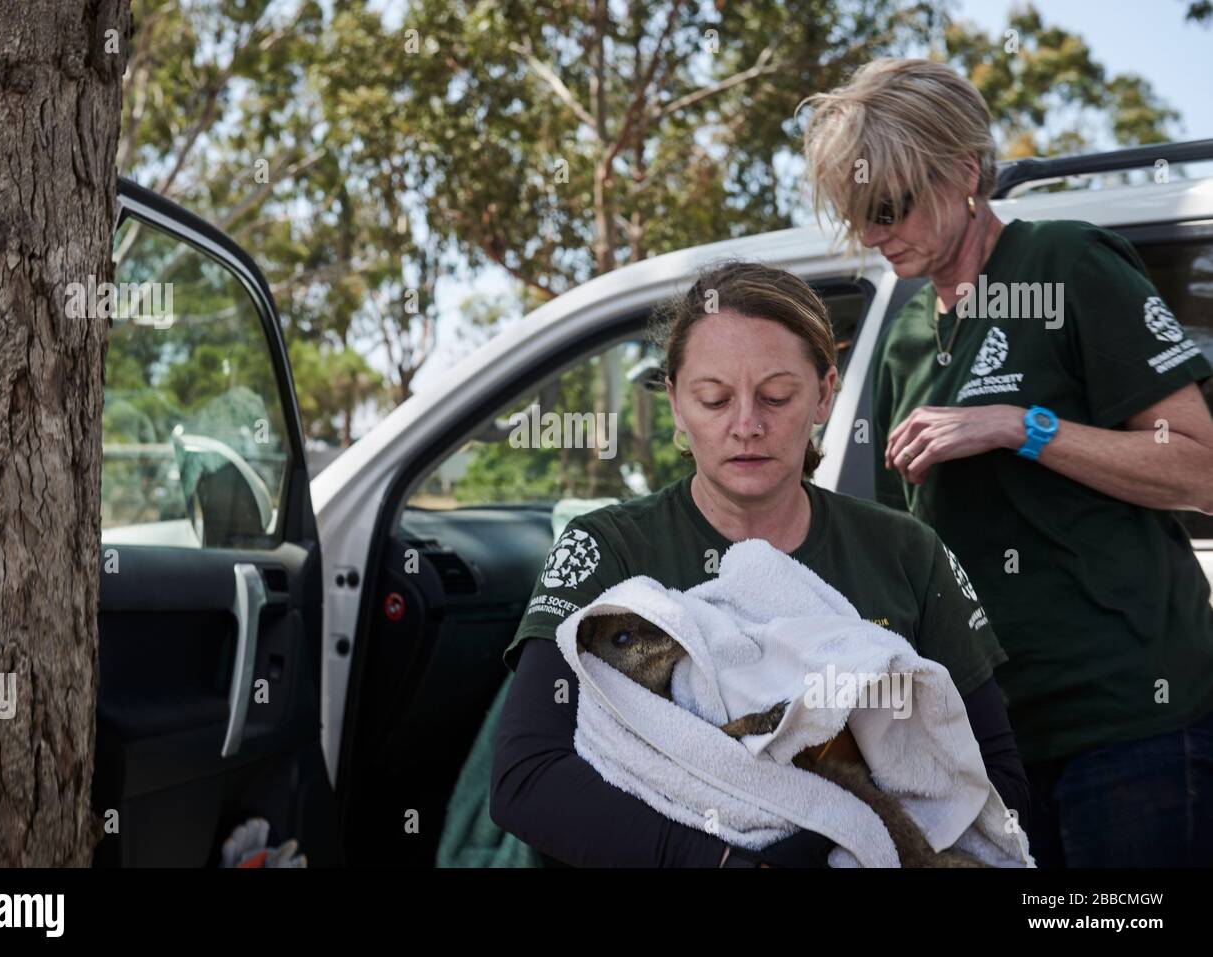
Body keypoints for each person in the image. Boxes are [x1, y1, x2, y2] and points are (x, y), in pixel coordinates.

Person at [801, 57, 1213, 866]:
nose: (875, 232)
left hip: (1131, 730)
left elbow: (1199, 467)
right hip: (992, 745)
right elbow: (902, 549)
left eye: (889, 206)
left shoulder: (1069, 264)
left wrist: (1021, 425)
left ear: (964, 172)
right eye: (858, 213)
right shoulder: (907, 334)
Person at [489, 260, 1029, 867]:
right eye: (714, 399)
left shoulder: (906, 553)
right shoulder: (605, 549)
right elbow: (526, 779)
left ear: (825, 393)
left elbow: (991, 781)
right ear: (674, 402)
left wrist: (856, 849)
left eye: (777, 395)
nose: (746, 425)